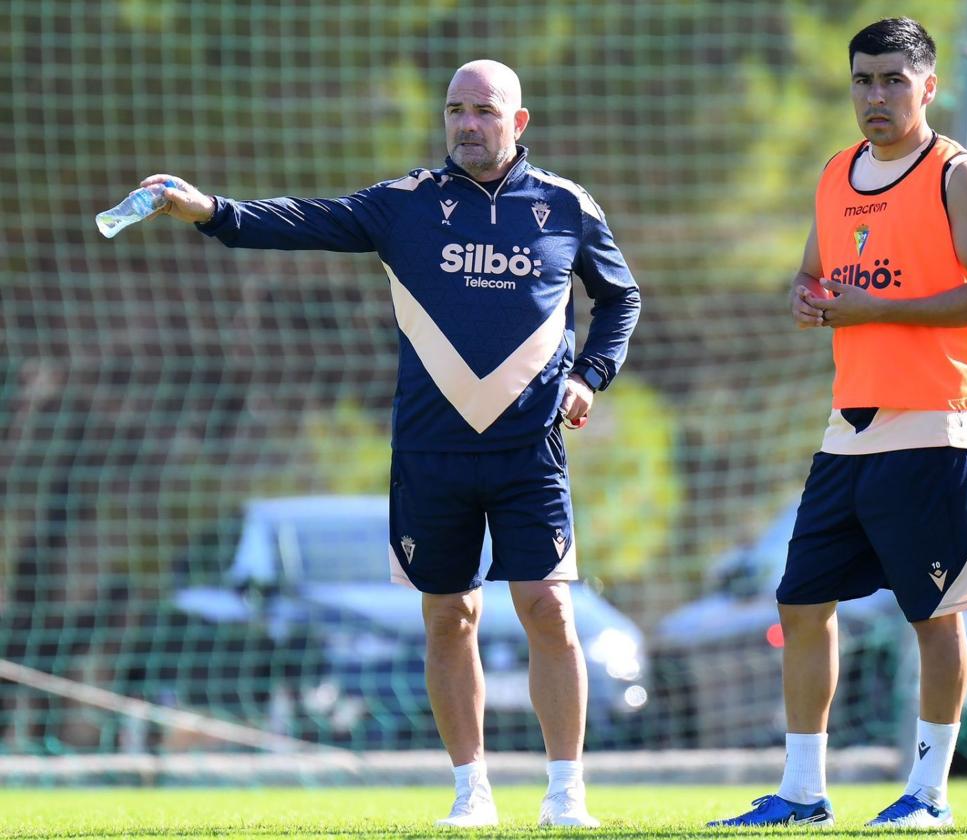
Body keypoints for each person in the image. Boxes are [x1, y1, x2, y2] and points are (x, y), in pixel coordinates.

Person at [142, 59, 639, 829]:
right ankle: (472, 793)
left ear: (519, 121)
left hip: (528, 451)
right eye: (455, 111)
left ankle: (566, 793)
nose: (467, 124)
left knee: (547, 609)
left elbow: (619, 297)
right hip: (430, 454)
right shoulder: (404, 205)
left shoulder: (567, 206)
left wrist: (590, 376)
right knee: (450, 617)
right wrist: (209, 209)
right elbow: (298, 221)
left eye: (483, 110)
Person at [709, 18, 967, 831]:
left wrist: (878, 309)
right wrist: (806, 300)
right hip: (847, 432)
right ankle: (802, 792)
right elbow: (812, 273)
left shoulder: (958, 174)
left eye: (892, 80)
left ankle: (928, 794)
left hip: (937, 429)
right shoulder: (837, 172)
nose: (875, 96)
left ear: (928, 87)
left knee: (933, 616)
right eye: (862, 81)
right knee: (800, 602)